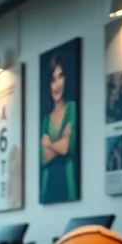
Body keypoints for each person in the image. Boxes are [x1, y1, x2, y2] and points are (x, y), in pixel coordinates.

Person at [40, 54, 78, 204]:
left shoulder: (72, 108)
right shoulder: (45, 120)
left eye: (60, 77)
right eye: (53, 80)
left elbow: (65, 148)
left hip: (67, 185)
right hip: (47, 188)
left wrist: (48, 144)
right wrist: (60, 141)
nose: (57, 85)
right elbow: (43, 158)